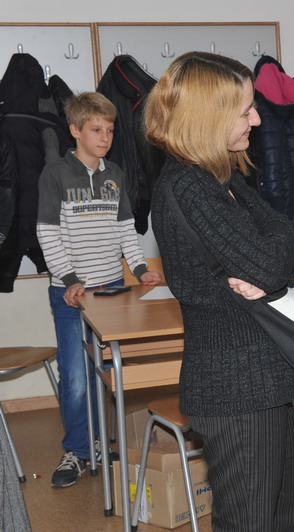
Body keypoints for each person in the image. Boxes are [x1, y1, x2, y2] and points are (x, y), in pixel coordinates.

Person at [146, 51, 294, 531]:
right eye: (245, 111)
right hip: (235, 385)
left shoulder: (220, 177)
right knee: (250, 522)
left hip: (260, 376)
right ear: (208, 117)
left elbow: (286, 231)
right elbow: (270, 263)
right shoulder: (189, 187)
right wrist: (273, 253)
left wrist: (275, 250)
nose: (256, 120)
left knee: (281, 514)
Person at [36, 92, 162, 488]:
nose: (105, 137)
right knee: (76, 378)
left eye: (109, 130)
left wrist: (139, 269)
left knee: (105, 373)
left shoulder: (115, 175)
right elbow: (47, 234)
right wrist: (70, 279)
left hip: (113, 290)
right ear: (75, 131)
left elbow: (126, 229)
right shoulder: (55, 174)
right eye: (96, 130)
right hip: (71, 295)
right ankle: (77, 450)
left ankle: (99, 443)